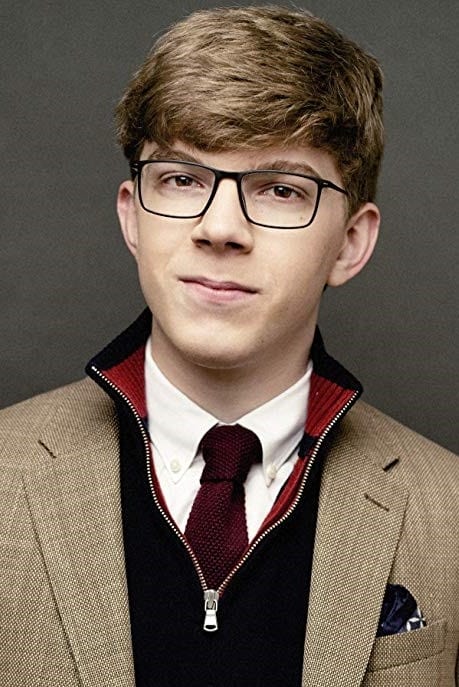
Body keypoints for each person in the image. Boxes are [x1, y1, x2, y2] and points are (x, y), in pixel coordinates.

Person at [0, 5, 457, 686]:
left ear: (350, 242)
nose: (219, 228)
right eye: (182, 178)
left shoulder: (449, 512)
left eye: (280, 189)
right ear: (132, 216)